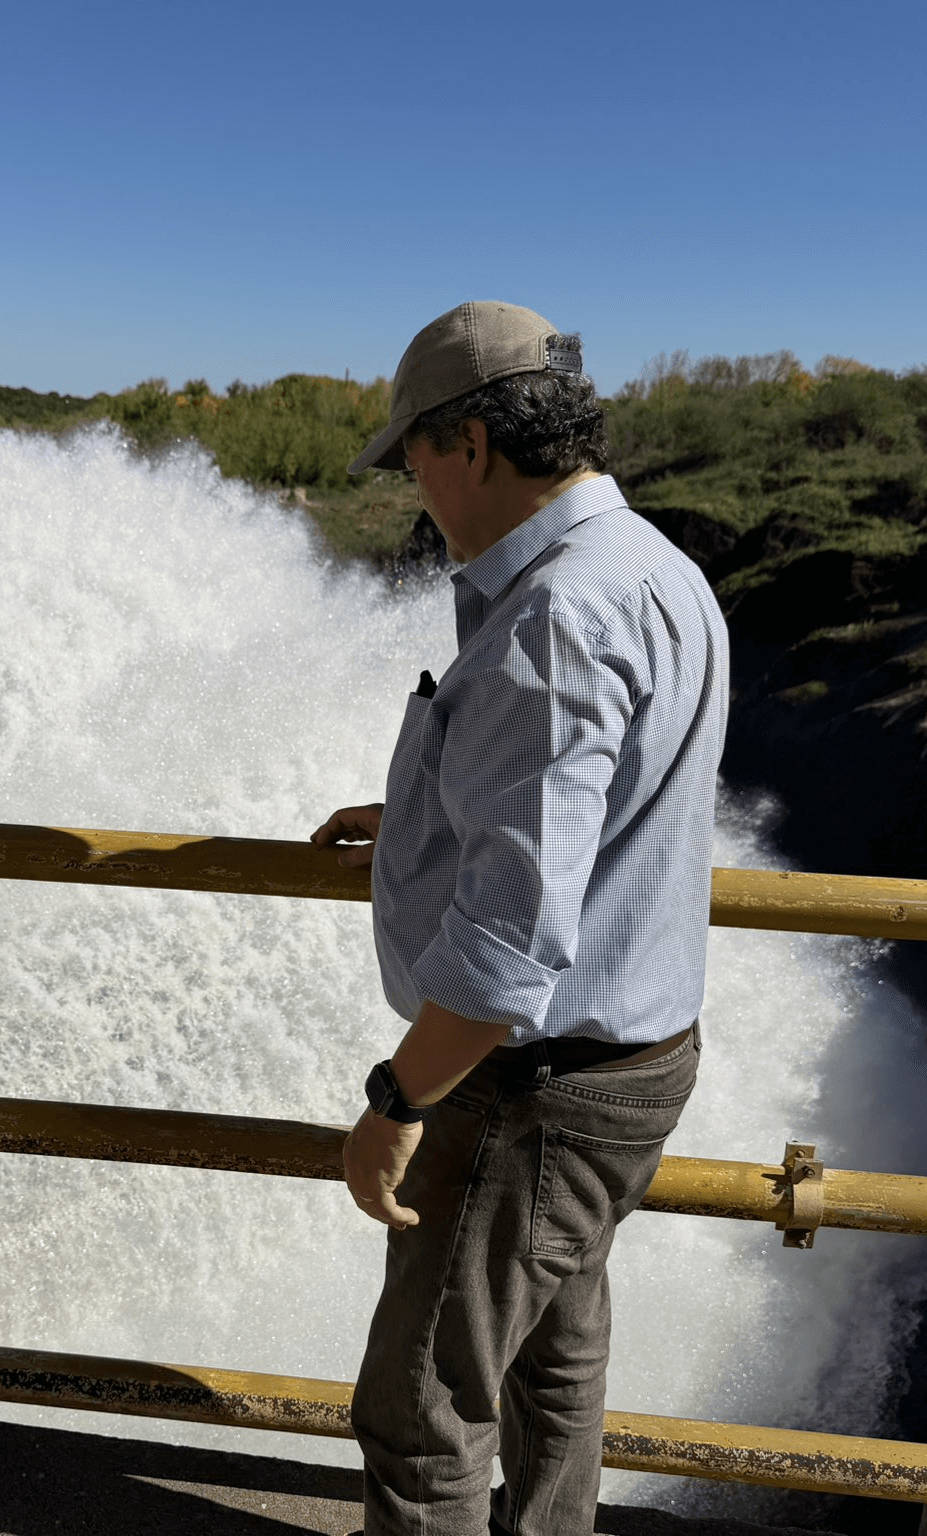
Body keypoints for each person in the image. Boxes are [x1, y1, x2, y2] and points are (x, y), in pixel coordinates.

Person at [311, 301, 729, 1536]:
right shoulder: (653, 568)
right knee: (551, 1362)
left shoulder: (554, 615)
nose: (414, 493)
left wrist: (395, 1105)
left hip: (530, 1092)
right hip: (631, 1066)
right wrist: (432, 812)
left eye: (413, 461)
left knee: (421, 1411)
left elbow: (504, 949)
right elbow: (598, 803)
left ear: (473, 443)